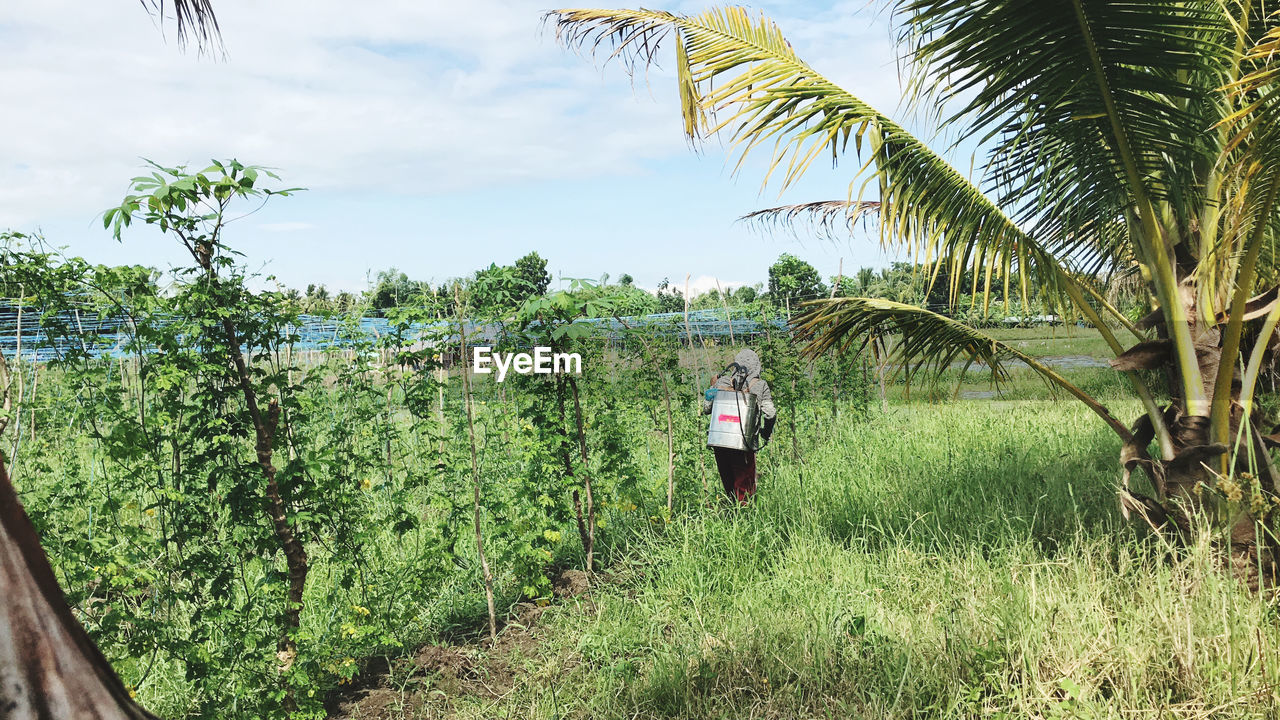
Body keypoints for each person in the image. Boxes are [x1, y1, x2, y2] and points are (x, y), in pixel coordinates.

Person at [702, 348, 777, 503]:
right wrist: (765, 432)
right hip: (743, 443)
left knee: (729, 485)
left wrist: (712, 386)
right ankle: (744, 519)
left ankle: (731, 517)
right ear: (757, 366)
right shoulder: (760, 385)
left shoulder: (721, 382)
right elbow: (770, 413)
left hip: (720, 442)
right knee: (745, 488)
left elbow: (706, 408)